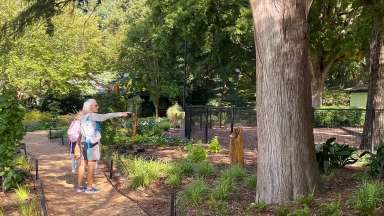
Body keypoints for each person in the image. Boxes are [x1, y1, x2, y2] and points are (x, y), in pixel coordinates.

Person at [76, 99, 130, 193]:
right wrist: (121, 113)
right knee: (91, 165)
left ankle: (80, 187)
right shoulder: (92, 115)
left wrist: (78, 145)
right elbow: (106, 116)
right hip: (92, 143)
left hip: (84, 142)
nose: (98, 107)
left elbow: (80, 132)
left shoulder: (83, 117)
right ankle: (89, 188)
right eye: (96, 105)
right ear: (90, 107)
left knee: (83, 164)